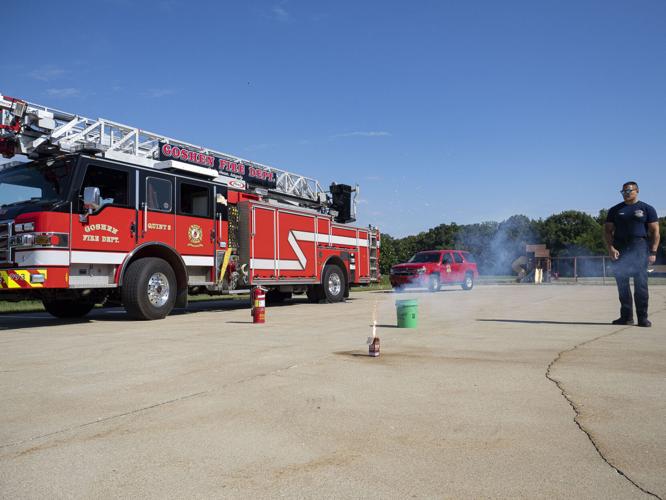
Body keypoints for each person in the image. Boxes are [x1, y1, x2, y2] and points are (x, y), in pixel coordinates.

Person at [604, 181, 660, 327]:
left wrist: (653, 251)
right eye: (623, 192)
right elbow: (608, 231)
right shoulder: (615, 210)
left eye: (628, 191)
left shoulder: (647, 208)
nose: (626, 194)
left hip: (639, 247)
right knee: (622, 284)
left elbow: (655, 232)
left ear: (637, 191)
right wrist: (611, 248)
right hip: (620, 248)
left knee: (641, 284)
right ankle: (626, 317)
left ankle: (643, 318)